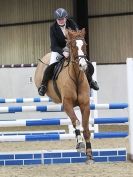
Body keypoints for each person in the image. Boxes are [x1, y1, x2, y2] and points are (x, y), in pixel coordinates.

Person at [38, 8, 99, 96]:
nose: (61, 21)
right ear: (56, 19)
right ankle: (43, 85)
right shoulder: (53, 28)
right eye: (59, 19)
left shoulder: (72, 23)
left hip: (72, 48)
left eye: (62, 19)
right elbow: (53, 46)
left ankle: (90, 80)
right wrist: (63, 52)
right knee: (51, 65)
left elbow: (77, 36)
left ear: (66, 18)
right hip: (59, 50)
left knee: (85, 62)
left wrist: (70, 49)